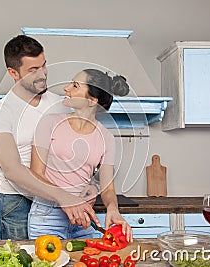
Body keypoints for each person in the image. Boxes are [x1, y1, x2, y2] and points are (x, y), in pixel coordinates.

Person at [0, 35, 100, 239]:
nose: (43, 74)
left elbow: (81, 151)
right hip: (18, 204)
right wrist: (63, 197)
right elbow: (12, 170)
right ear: (13, 72)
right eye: (33, 70)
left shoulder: (61, 104)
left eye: (44, 65)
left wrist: (92, 185)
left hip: (59, 204)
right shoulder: (0, 112)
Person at [28, 69, 133, 241]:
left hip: (83, 220)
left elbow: (108, 188)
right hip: (47, 217)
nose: (66, 88)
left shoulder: (106, 138)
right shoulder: (49, 123)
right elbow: (35, 175)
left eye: (75, 85)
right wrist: (69, 199)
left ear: (92, 100)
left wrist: (113, 208)